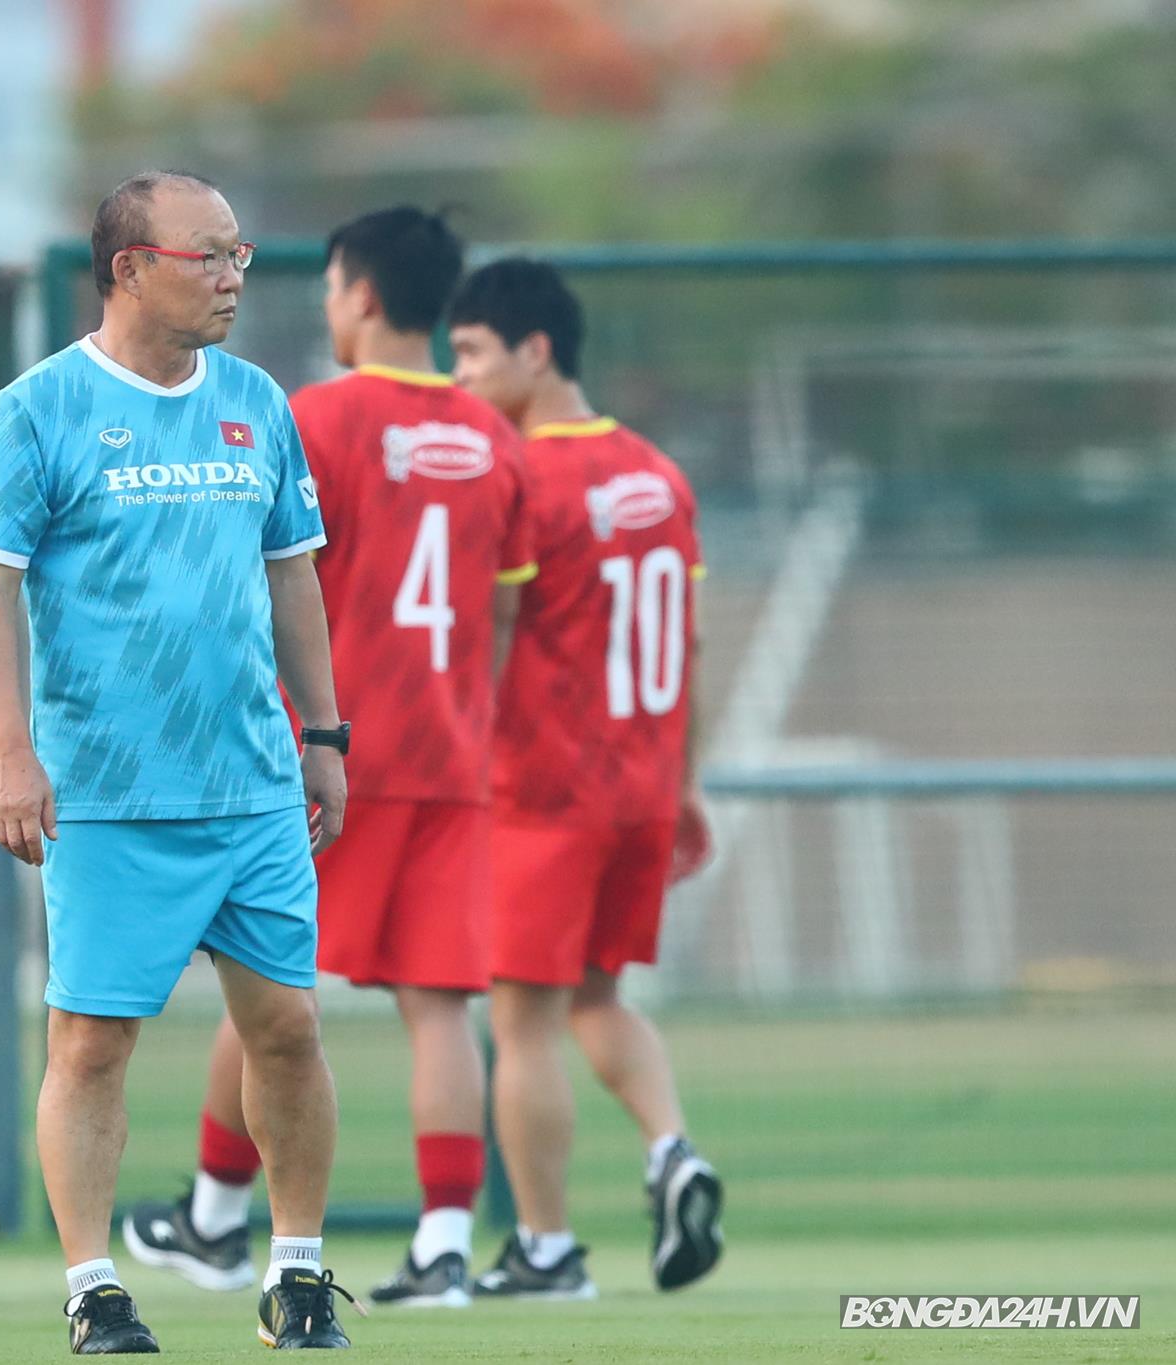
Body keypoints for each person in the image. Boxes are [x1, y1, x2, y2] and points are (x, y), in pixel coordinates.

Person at [0, 171, 361, 1353]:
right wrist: (8, 754)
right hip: (108, 794)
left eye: (241, 255)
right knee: (91, 1043)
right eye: (209, 256)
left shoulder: (254, 401)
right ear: (131, 269)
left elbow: (291, 573)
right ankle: (94, 1291)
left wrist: (322, 734)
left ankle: (295, 1276)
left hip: (251, 788)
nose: (233, 277)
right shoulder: (34, 411)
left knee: (288, 1029)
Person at [123, 207, 535, 1309]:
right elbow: (500, 616)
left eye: (327, 288)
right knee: (439, 1009)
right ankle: (443, 1246)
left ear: (359, 294)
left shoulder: (313, 417)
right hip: (449, 756)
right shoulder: (494, 438)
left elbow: (264, 583)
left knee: (265, 991)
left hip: (325, 752)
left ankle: (214, 1218)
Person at [448, 256, 724, 1298]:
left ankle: (547, 1247)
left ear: (536, 350)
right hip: (640, 790)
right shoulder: (658, 474)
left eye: (473, 353)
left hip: (542, 790)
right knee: (597, 997)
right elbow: (688, 643)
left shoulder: (521, 477)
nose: (461, 376)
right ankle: (671, 1150)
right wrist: (684, 783)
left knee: (518, 1023)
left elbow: (491, 631)